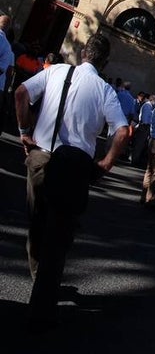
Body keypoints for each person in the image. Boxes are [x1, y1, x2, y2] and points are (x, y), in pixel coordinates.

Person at [14, 32, 129, 325]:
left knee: (38, 222)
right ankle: (41, 305)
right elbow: (122, 131)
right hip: (74, 167)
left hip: (40, 156)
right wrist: (105, 163)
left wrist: (24, 131)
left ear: (82, 53)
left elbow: (21, 94)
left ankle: (41, 278)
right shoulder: (105, 90)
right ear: (104, 62)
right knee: (58, 234)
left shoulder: (55, 72)